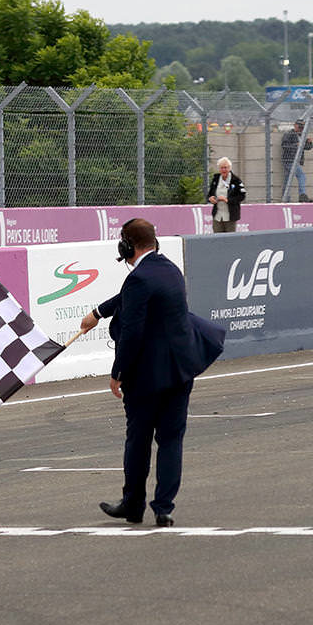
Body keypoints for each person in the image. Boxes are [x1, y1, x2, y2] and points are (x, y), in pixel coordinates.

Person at [79, 218, 224, 527]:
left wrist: (118, 372)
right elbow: (131, 297)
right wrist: (98, 312)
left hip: (146, 375)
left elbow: (131, 332)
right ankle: (164, 508)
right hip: (180, 370)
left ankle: (133, 504)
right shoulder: (170, 270)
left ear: (127, 246)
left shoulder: (138, 279)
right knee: (171, 439)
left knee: (139, 439)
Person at [206, 156, 246, 232]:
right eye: (221, 168)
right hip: (217, 216)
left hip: (230, 216)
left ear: (229, 168)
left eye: (225, 167)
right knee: (217, 238)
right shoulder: (216, 179)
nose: (224, 170)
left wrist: (227, 200)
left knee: (229, 240)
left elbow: (242, 196)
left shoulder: (236, 180)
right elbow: (210, 194)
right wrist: (210, 198)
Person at [281, 119, 313, 202]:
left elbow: (308, 148)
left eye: (302, 127)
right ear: (295, 125)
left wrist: (309, 142)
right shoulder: (289, 134)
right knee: (301, 176)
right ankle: (302, 195)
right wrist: (296, 145)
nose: (301, 129)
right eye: (300, 127)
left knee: (288, 180)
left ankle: (285, 198)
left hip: (296, 161)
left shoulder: (302, 135)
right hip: (289, 160)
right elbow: (284, 145)